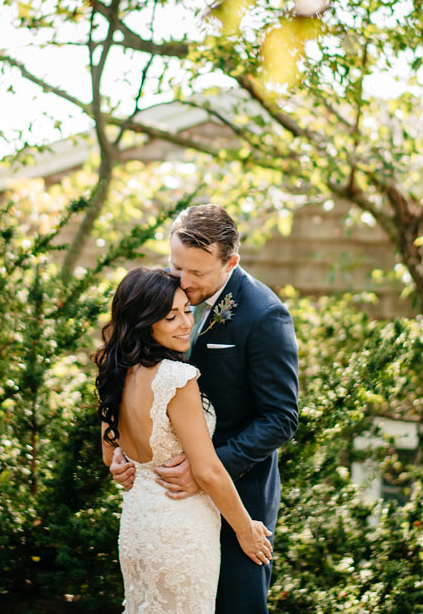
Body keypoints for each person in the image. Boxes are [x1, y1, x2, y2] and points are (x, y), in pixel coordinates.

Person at [109, 205, 300, 614]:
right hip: (164, 504)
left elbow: (281, 417)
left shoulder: (265, 315)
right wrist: (126, 450)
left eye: (197, 273)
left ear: (230, 261)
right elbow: (134, 383)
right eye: (177, 267)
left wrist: (206, 467)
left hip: (237, 492)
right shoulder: (162, 300)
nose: (184, 281)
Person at [95, 266, 273, 614]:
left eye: (187, 311)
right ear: (145, 322)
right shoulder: (176, 378)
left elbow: (109, 455)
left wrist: (123, 459)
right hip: (179, 532)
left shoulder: (115, 371)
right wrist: (245, 528)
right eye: (170, 317)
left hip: (137, 526)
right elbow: (206, 470)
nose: (186, 324)